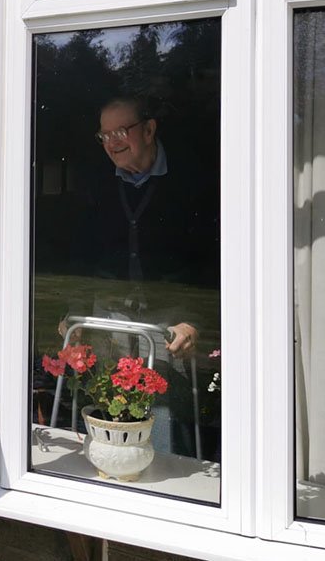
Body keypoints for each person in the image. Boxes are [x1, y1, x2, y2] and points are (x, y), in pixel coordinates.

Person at [78, 95, 219, 457]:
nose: (112, 143)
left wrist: (194, 320)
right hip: (110, 314)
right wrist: (74, 312)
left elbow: (215, 256)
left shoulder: (193, 179)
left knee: (165, 415)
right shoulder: (96, 180)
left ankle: (168, 489)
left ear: (150, 128)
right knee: (111, 408)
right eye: (104, 136)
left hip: (169, 314)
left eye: (121, 131)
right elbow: (79, 254)